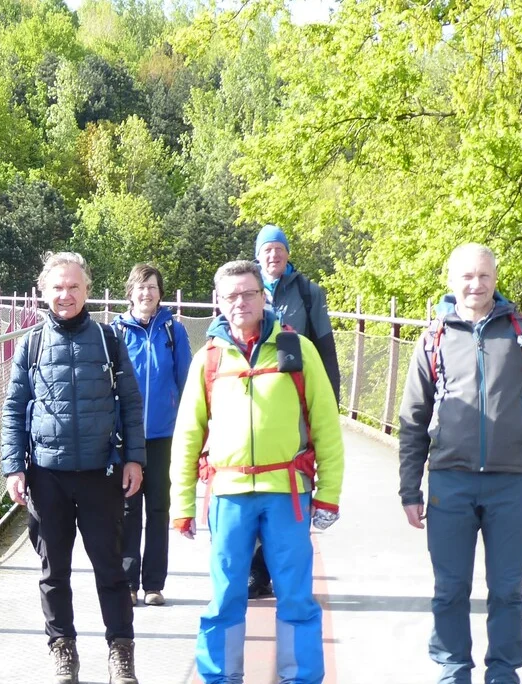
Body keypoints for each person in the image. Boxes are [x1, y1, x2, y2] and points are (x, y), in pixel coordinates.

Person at [398, 243, 522, 684]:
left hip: (510, 483)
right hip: (449, 482)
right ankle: (453, 670)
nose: (476, 285)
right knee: (450, 590)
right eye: (466, 277)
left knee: (508, 591)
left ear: (496, 278)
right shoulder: (433, 337)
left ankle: (503, 673)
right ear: (450, 280)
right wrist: (409, 489)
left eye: (484, 276)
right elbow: (413, 419)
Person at [170, 259, 344, 684]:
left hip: (287, 493)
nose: (240, 302)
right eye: (230, 295)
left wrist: (329, 494)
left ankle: (299, 678)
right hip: (228, 495)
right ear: (217, 302)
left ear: (263, 296)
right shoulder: (208, 359)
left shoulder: (297, 350)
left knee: (296, 597)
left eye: (248, 293)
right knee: (225, 598)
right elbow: (188, 435)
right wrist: (182, 504)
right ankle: (221, 678)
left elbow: (326, 425)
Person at [2, 251, 146, 684]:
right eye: (57, 287)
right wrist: (14, 467)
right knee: (54, 572)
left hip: (102, 472)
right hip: (47, 475)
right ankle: (63, 650)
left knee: (113, 571)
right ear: (42, 292)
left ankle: (121, 653)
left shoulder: (108, 340)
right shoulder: (29, 344)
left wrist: (135, 458)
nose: (65, 295)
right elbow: (13, 408)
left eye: (74, 287)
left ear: (87, 290)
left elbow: (131, 404)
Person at [250, 224, 343, 599]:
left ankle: (277, 568)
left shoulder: (308, 293)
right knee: (256, 483)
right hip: (256, 402)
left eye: (279, 250)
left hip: (297, 403)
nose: (273, 256)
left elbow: (325, 349)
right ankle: (257, 572)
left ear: (288, 254)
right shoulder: (246, 289)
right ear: (258, 256)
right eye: (267, 250)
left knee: (292, 485)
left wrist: (328, 406)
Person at [112, 264, 192, 607]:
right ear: (130, 292)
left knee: (159, 509)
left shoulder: (174, 331)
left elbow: (187, 382)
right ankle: (128, 582)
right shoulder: (116, 331)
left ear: (161, 293)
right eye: (141, 288)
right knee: (128, 509)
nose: (147, 293)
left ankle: (154, 584)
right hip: (126, 435)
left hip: (163, 434)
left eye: (153, 288)